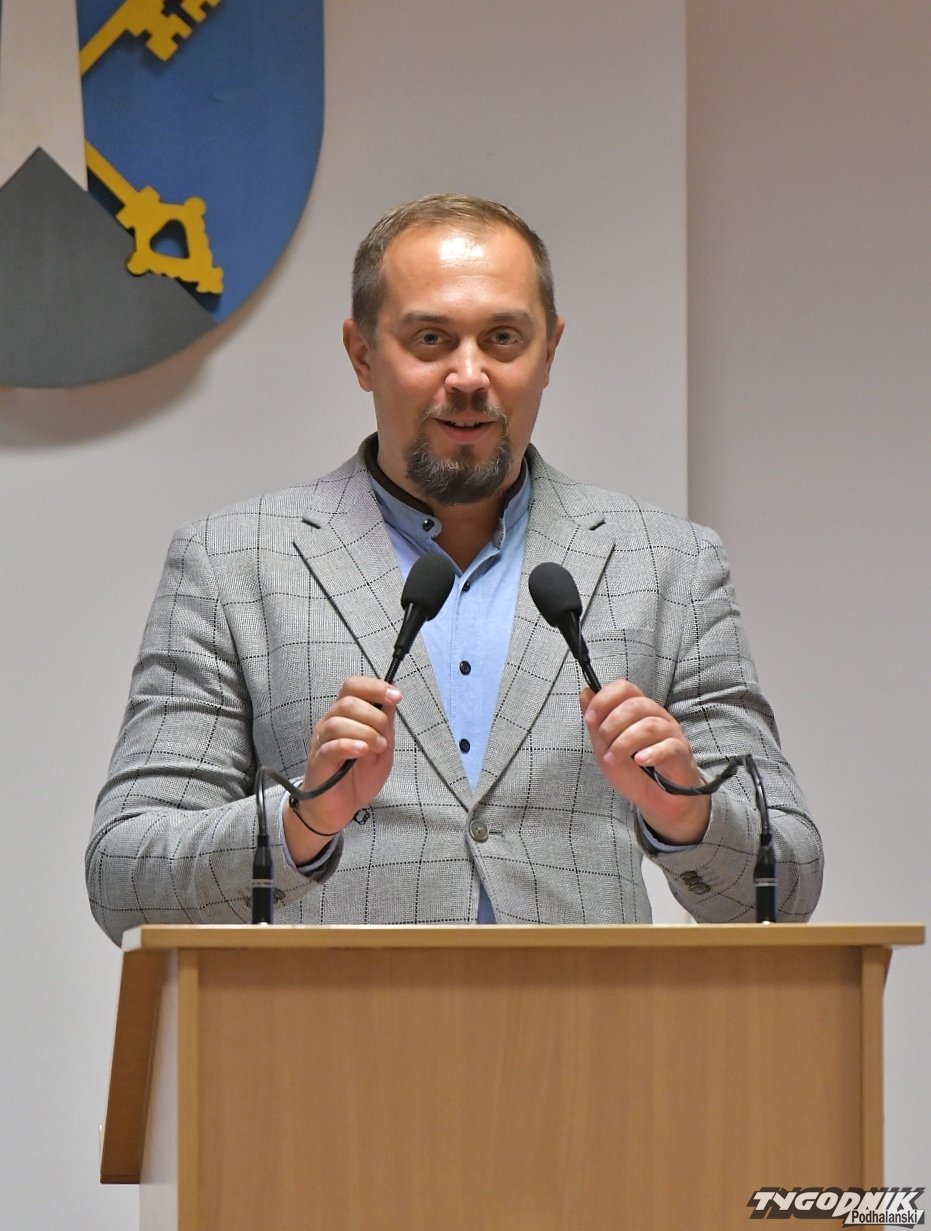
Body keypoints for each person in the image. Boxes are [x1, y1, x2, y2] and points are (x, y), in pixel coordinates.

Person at [87, 194, 823, 944]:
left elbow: (789, 877)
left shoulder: (668, 563)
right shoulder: (231, 564)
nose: (469, 375)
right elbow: (123, 878)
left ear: (549, 351)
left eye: (503, 338)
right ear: (361, 353)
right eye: (430, 339)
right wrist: (300, 821)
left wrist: (688, 815)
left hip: (591, 1019)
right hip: (328, 1020)